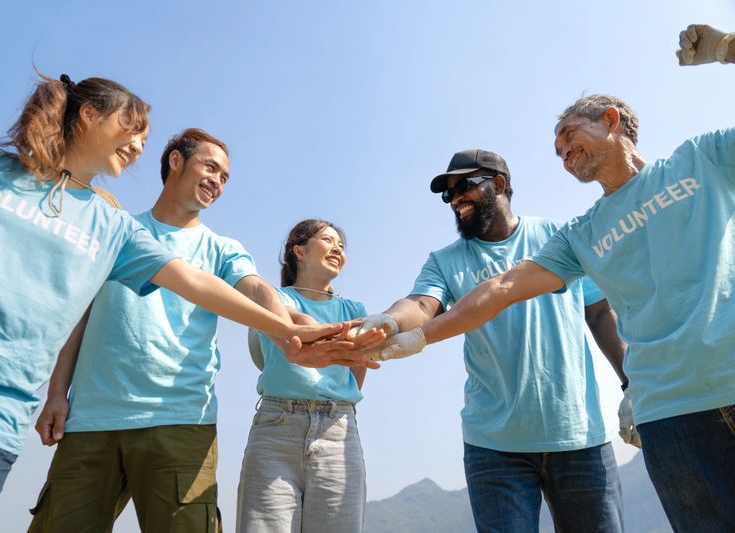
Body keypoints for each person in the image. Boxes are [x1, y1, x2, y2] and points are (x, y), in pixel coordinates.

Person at [0, 75, 364, 533]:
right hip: (91, 418)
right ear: (176, 162)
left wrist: (291, 326)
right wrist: (58, 392)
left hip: (177, 417)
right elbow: (76, 314)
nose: (218, 181)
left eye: (225, 176)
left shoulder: (182, 241)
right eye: (211, 167)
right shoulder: (103, 221)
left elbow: (240, 288)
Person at [366, 24, 735, 532]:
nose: (561, 152)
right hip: (669, 419)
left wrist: (726, 49)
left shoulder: (703, 158)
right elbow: (498, 290)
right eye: (556, 149)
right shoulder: (580, 235)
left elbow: (597, 312)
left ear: (611, 120)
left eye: (568, 136)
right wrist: (410, 336)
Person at [352, 149, 627, 531]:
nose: (455, 200)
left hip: (579, 435)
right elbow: (420, 304)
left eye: (463, 186)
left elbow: (598, 312)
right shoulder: (445, 260)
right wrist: (389, 321)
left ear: (498, 184)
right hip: (494, 447)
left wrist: (633, 383)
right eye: (448, 194)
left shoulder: (557, 237)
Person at [237, 220, 372, 533]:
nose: (337, 248)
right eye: (328, 240)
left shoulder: (355, 309)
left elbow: (356, 371)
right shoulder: (272, 298)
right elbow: (280, 333)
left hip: (339, 432)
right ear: (299, 251)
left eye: (341, 245)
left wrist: (335, 402)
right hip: (276, 429)